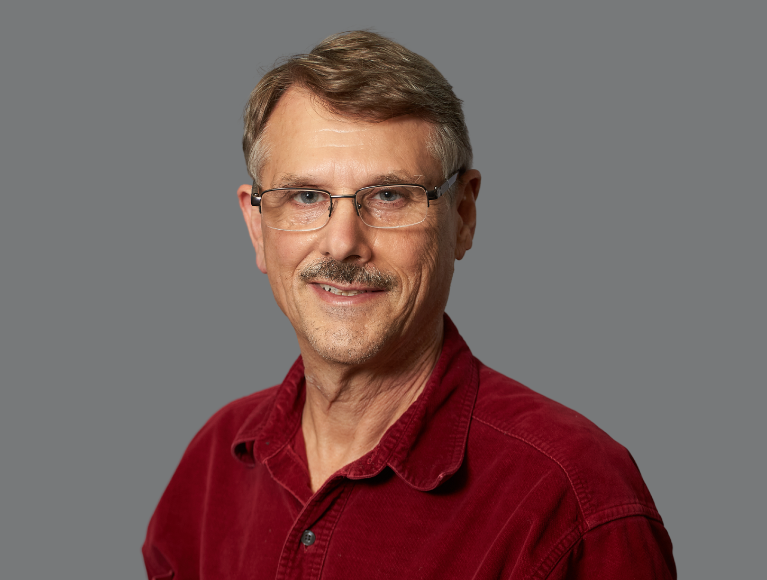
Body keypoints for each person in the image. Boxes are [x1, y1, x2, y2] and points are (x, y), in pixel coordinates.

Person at [143, 31, 675, 579]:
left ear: (463, 216)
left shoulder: (573, 500)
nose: (343, 242)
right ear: (257, 226)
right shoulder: (212, 467)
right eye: (305, 196)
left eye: (389, 196)